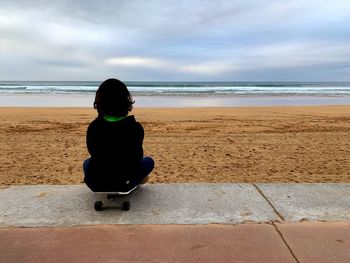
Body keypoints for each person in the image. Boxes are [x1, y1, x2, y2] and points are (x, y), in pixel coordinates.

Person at [83, 78, 154, 192]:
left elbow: (93, 153)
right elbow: (137, 156)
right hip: (125, 182)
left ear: (100, 101)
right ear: (126, 101)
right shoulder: (135, 127)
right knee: (149, 161)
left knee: (87, 163)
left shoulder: (94, 127)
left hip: (97, 183)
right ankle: (138, 180)